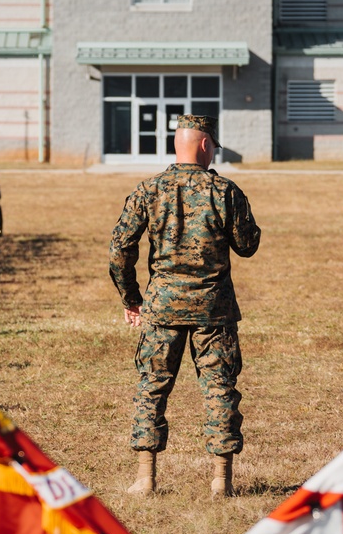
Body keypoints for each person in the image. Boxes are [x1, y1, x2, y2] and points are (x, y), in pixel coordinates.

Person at [109, 115, 261, 498]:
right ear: (206, 146)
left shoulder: (148, 189)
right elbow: (248, 245)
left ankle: (145, 479)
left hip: (161, 307)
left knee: (152, 387)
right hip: (214, 309)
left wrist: (133, 300)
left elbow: (119, 251)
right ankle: (220, 480)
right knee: (220, 388)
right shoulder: (225, 191)